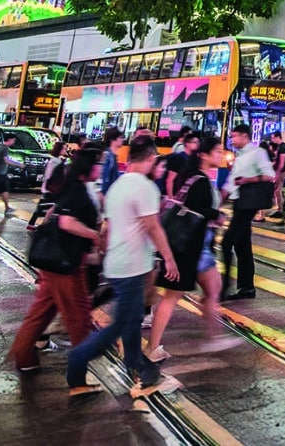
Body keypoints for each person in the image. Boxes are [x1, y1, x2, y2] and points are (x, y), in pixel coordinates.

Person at [67, 139, 180, 397]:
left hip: (118, 264)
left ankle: (136, 364)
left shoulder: (117, 185)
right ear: (151, 159)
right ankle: (77, 361)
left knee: (131, 321)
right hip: (131, 265)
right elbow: (153, 226)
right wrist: (169, 258)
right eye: (156, 163)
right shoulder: (145, 187)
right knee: (120, 325)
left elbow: (106, 228)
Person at [8, 148, 103, 372]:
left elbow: (52, 215)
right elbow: (66, 223)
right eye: (99, 163)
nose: (101, 168)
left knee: (40, 314)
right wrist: (94, 235)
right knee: (78, 317)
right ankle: (78, 375)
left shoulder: (70, 186)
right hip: (66, 264)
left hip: (55, 263)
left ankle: (24, 358)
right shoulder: (77, 191)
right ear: (88, 167)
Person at [147, 135, 223, 361]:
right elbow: (196, 208)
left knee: (210, 290)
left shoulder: (191, 176)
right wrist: (216, 214)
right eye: (217, 151)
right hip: (191, 247)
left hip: (192, 246)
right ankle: (152, 347)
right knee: (173, 296)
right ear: (204, 155)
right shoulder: (199, 180)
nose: (221, 155)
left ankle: (213, 337)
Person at [224, 125, 274, 300]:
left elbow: (269, 175)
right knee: (242, 246)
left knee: (226, 242)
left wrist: (247, 180)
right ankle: (247, 288)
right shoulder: (240, 156)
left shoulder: (257, 153)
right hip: (239, 203)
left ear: (245, 136)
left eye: (234, 136)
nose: (232, 140)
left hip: (248, 205)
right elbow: (231, 182)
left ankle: (223, 288)